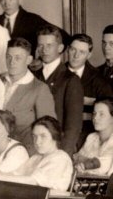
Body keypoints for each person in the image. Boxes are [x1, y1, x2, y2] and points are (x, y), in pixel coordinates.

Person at [0, 116, 74, 192]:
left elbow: (32, 181)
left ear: (55, 137)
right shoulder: (36, 158)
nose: (37, 141)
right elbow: (13, 175)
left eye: (43, 136)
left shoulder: (60, 158)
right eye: (34, 136)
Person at [34, 25, 83, 154]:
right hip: (34, 146)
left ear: (60, 48)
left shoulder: (70, 80)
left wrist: (63, 155)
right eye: (40, 46)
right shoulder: (33, 75)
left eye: (49, 45)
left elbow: (73, 126)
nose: (44, 50)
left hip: (57, 148)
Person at [1, 38, 56, 152]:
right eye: (8, 57)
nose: (12, 62)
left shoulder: (39, 89)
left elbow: (48, 130)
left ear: (29, 60)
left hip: (25, 151)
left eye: (18, 58)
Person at [0, 0, 69, 57]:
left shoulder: (33, 20)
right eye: (2, 0)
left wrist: (41, 59)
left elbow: (65, 37)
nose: (7, 4)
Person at [66, 34, 113, 145]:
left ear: (89, 55)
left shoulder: (99, 79)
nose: (76, 55)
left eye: (82, 52)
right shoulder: (58, 74)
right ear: (68, 50)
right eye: (73, 50)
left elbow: (108, 112)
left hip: (87, 138)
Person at [73, 99, 113, 175]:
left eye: (101, 114)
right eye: (94, 113)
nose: (95, 118)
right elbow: (75, 159)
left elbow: (103, 167)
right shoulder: (91, 137)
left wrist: (84, 163)